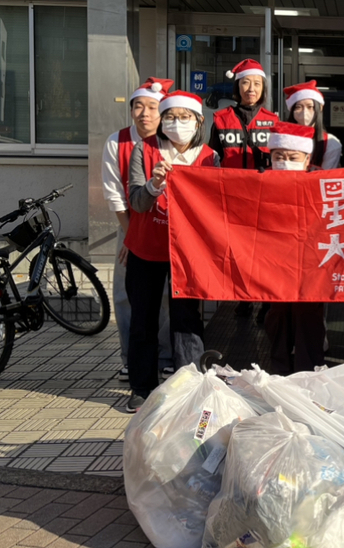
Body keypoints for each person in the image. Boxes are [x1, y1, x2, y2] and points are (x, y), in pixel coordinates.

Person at [124, 91, 220, 413]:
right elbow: (136, 201)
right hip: (147, 248)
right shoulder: (145, 149)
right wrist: (153, 185)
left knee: (187, 320)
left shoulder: (209, 157)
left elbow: (215, 206)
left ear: (198, 122)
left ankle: (189, 386)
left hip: (188, 253)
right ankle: (142, 387)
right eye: (170, 117)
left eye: (185, 117)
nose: (177, 124)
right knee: (143, 318)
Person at [101, 78, 177, 383]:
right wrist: (131, 236)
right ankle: (129, 358)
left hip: (165, 227)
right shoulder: (116, 141)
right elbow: (114, 194)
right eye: (138, 106)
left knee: (165, 296)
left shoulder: (171, 142)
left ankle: (166, 355)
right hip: (129, 223)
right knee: (125, 294)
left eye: (151, 107)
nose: (144, 113)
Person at [210, 59, 279, 320]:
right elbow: (212, 159)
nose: (251, 88)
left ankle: (264, 300)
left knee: (263, 252)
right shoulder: (220, 119)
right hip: (233, 198)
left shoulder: (273, 121)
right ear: (237, 87)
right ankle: (243, 297)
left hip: (264, 199)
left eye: (257, 84)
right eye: (246, 83)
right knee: (238, 251)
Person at [263, 122, 327, 374]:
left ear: (307, 158)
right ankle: (278, 372)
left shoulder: (321, 181)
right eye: (279, 157)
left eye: (292, 157)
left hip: (310, 264)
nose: (285, 162)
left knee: (308, 318)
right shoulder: (260, 180)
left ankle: (310, 374)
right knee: (277, 318)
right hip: (273, 263)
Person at [283, 80, 342, 170]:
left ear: (320, 108)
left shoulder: (331, 143)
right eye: (298, 107)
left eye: (310, 107)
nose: (304, 112)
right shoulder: (282, 139)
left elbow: (326, 178)